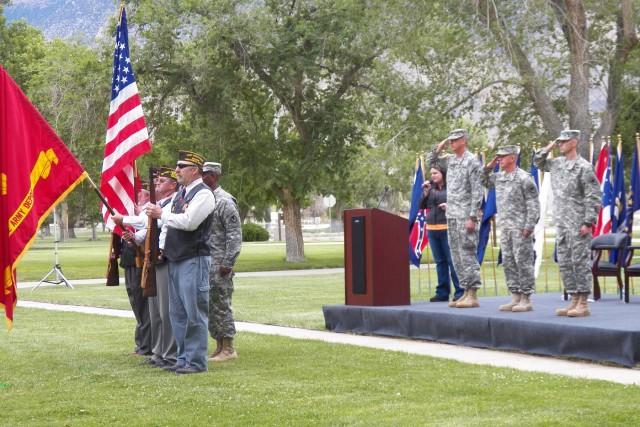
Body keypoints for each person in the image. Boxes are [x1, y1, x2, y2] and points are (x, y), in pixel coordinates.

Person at [146, 150, 215, 374]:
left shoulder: (204, 194)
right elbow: (169, 226)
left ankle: (196, 361)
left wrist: (161, 214)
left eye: (181, 166)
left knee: (194, 312)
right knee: (178, 313)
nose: (176, 170)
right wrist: (162, 248)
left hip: (193, 259)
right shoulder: (182, 194)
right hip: (175, 258)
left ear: (194, 170)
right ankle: (183, 358)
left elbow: (189, 222)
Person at [533, 130, 601, 317]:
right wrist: (549, 147)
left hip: (579, 223)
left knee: (579, 262)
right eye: (559, 142)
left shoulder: (584, 167)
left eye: (563, 142)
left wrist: (588, 221)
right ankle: (573, 300)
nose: (560, 144)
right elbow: (538, 162)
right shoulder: (557, 164)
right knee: (565, 263)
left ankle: (584, 303)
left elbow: (593, 196)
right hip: (562, 222)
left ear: (574, 143)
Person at [426, 129, 484, 308]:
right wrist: (439, 147)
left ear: (463, 141)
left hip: (466, 215)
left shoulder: (472, 162)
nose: (451, 143)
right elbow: (431, 162)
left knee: (467, 253)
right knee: (456, 255)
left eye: (454, 140)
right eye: (449, 140)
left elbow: (477, 190)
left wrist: (473, 217)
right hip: (451, 215)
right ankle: (465, 291)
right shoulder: (450, 161)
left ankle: (472, 293)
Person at [480, 146, 540, 312]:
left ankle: (526, 298)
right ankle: (516, 296)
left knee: (523, 262)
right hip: (506, 228)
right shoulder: (499, 178)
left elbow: (534, 204)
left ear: (512, 158)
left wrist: (529, 226)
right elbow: (482, 179)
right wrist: (490, 164)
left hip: (521, 228)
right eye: (498, 157)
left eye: (503, 156)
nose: (500, 159)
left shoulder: (524, 178)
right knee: (509, 262)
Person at [201, 162, 242, 362]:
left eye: (204, 174)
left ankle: (229, 348)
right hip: (207, 261)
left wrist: (228, 262)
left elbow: (234, 236)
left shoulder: (225, 201)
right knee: (211, 306)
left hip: (220, 264)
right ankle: (219, 346)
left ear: (213, 176)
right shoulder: (206, 199)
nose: (200, 178)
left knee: (221, 305)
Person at [145, 167, 179, 368]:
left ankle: (170, 354)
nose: (157, 184)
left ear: (173, 185)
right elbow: (145, 225)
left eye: (162, 181)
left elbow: (167, 225)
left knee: (167, 310)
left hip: (165, 257)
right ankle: (158, 352)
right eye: (157, 181)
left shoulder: (173, 203)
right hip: (154, 258)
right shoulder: (159, 204)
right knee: (155, 310)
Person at [112, 182, 152, 356]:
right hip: (129, 260)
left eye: (137, 194)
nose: (133, 199)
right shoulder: (136, 212)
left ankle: (145, 345)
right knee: (136, 303)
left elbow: (144, 230)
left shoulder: (145, 212)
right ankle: (142, 344)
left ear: (147, 196)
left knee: (141, 304)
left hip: (139, 261)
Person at [420, 167, 463, 302]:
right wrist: (426, 193)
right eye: (431, 173)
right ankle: (442, 293)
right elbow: (421, 206)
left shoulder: (452, 187)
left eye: (435, 173)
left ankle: (460, 291)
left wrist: (448, 206)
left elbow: (460, 204)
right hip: (432, 229)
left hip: (447, 228)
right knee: (440, 261)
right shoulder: (430, 188)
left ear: (443, 174)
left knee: (452, 260)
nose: (432, 176)